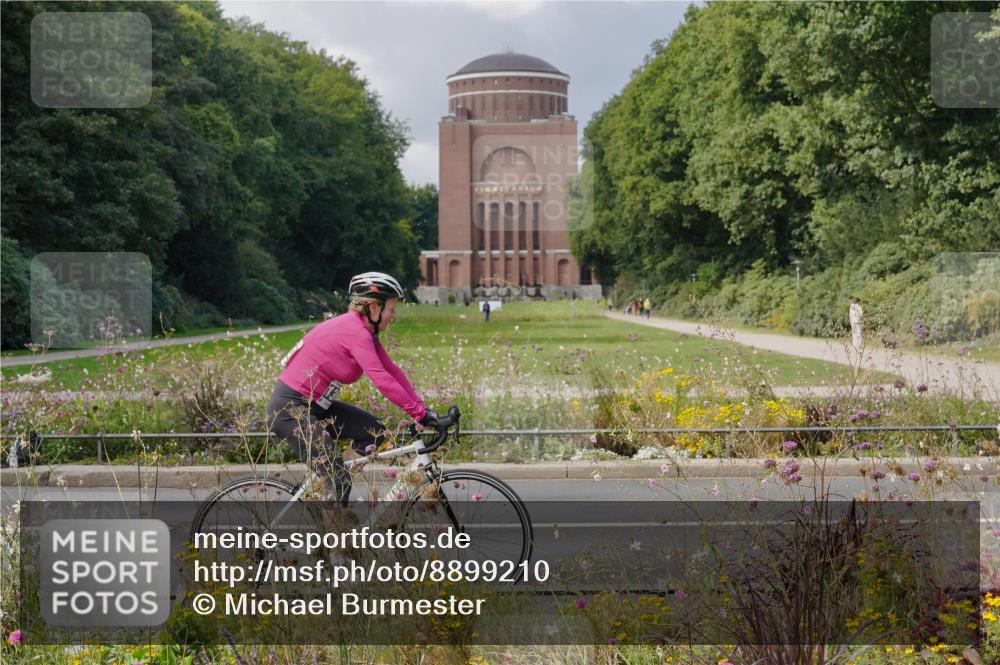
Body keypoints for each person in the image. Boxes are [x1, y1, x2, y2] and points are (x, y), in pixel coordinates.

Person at [266, 271, 437, 505]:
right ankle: (332, 535)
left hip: (316, 408)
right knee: (340, 481)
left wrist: (422, 410)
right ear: (375, 308)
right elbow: (381, 380)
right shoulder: (354, 332)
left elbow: (392, 372)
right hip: (290, 411)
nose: (393, 315)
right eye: (391, 309)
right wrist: (419, 414)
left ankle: (324, 486)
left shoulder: (365, 332)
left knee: (374, 432)